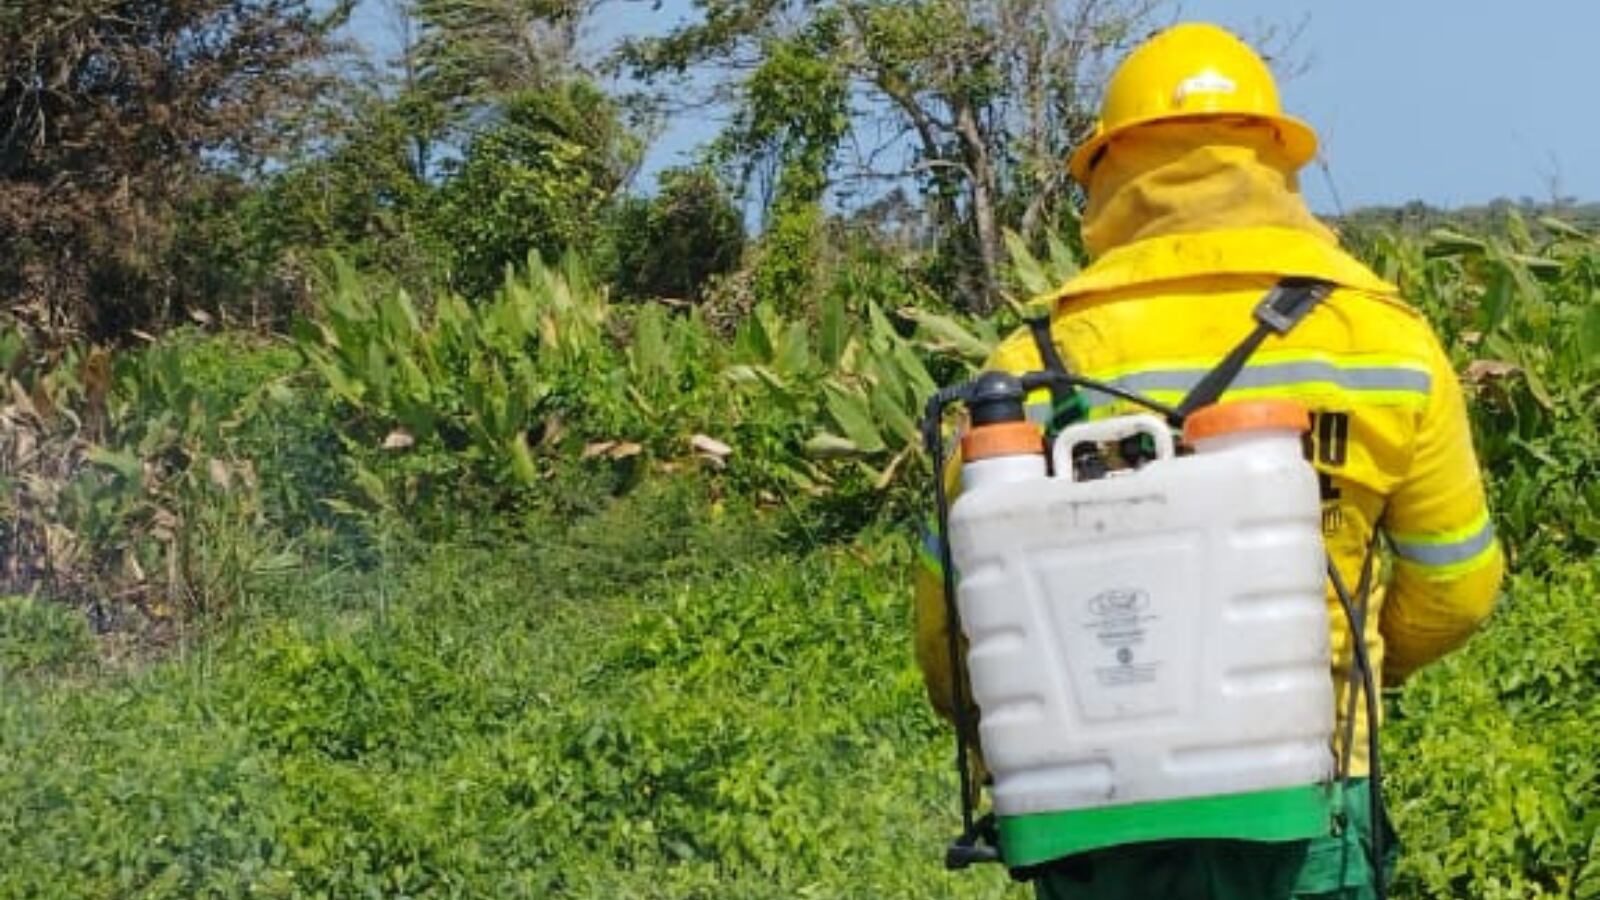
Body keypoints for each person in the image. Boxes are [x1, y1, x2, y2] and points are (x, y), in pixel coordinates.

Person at [912, 22, 1505, 900]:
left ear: (1110, 170)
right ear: (1274, 157)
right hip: (1308, 791)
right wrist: (1341, 665)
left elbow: (948, 643)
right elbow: (1457, 585)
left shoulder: (1029, 361)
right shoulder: (1384, 340)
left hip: (1088, 800)